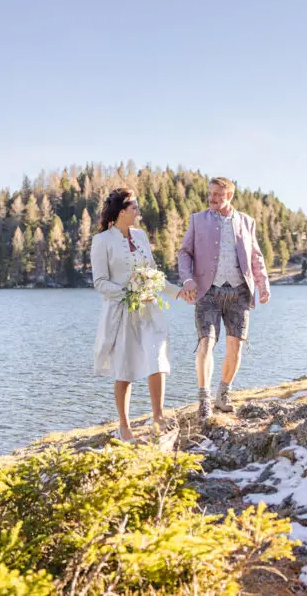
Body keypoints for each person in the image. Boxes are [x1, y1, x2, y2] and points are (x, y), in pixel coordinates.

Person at [91, 187, 182, 441]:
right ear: (122, 211)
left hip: (149, 309)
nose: (139, 212)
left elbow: (153, 274)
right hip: (121, 312)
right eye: (135, 209)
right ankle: (124, 426)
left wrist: (178, 293)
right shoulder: (102, 241)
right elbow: (99, 282)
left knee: (157, 358)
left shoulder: (141, 236)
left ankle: (158, 417)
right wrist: (128, 293)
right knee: (125, 368)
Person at [177, 177, 270, 420]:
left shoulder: (247, 222)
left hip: (239, 291)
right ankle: (204, 400)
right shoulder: (198, 220)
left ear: (230, 195)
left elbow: (256, 257)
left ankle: (223, 394)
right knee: (206, 343)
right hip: (207, 291)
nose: (212, 198)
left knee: (235, 347)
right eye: (210, 193)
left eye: (218, 194)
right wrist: (188, 280)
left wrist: (263, 284)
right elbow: (185, 253)